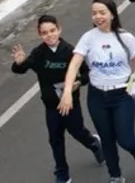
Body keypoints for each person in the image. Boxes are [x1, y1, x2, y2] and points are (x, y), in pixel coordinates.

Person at [58, 0, 135, 183]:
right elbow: (74, 64)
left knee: (125, 139)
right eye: (94, 13)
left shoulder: (125, 37)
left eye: (102, 12)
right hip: (97, 96)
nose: (98, 17)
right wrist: (68, 91)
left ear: (112, 14)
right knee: (107, 139)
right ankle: (115, 175)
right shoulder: (88, 38)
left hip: (122, 94)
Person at [11, 15, 104, 183]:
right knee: (55, 138)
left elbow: (88, 72)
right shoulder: (39, 53)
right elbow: (22, 69)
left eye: (52, 31)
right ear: (39, 34)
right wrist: (19, 62)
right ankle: (62, 173)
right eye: (44, 33)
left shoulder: (70, 51)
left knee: (77, 132)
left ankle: (93, 143)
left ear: (59, 29)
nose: (49, 35)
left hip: (70, 103)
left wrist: (78, 83)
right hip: (51, 105)